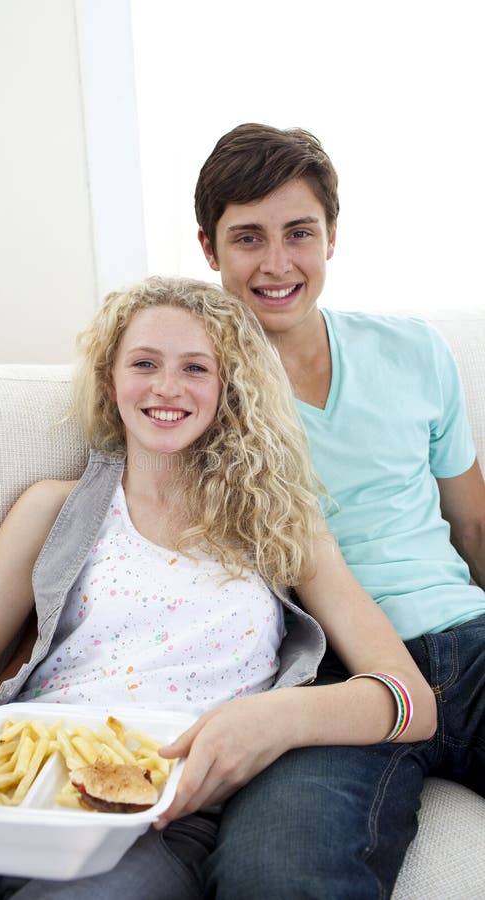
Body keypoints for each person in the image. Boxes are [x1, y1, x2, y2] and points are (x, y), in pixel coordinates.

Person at [0, 276, 435, 900]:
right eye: (144, 363)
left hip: (158, 821)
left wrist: (274, 718)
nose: (167, 388)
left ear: (229, 389)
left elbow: (412, 700)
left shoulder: (281, 526)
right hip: (0, 787)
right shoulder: (52, 510)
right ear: (109, 380)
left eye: (195, 368)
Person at [195, 123, 485, 899]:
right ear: (209, 249)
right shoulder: (189, 391)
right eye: (248, 238)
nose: (278, 263)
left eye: (300, 233)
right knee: (274, 875)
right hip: (328, 677)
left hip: (469, 637)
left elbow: (474, 526)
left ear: (332, 238)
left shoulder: (416, 351)